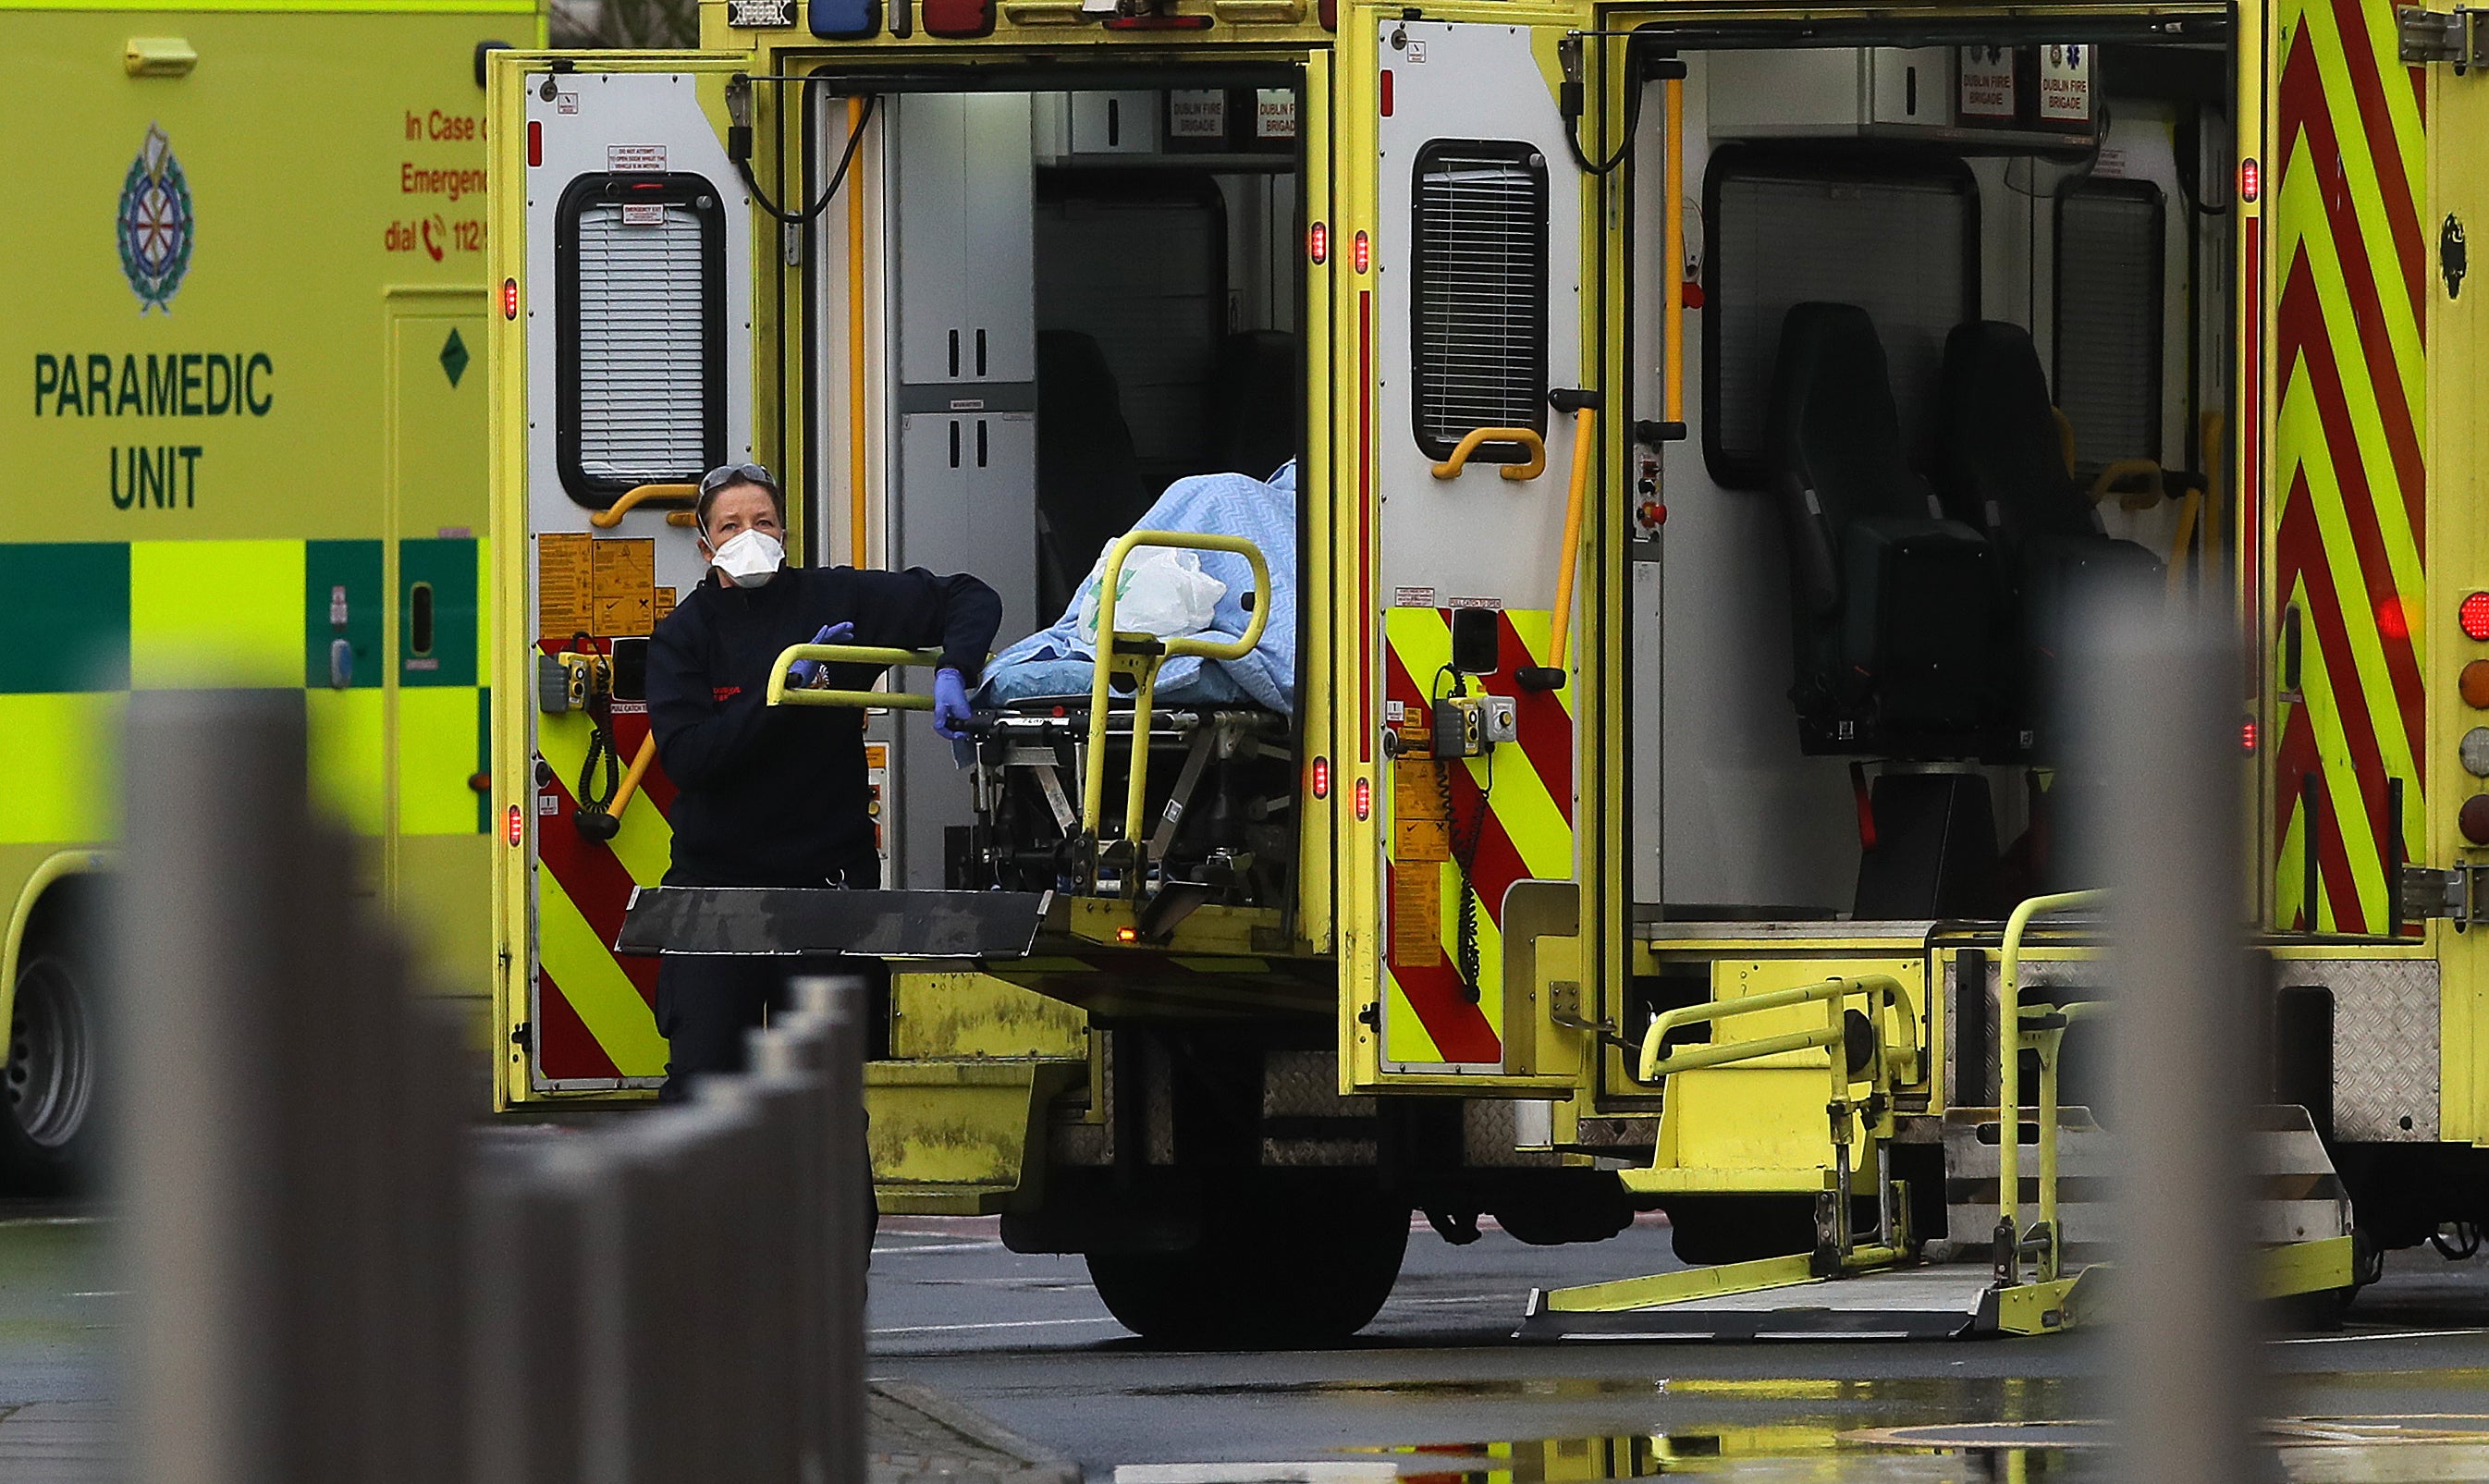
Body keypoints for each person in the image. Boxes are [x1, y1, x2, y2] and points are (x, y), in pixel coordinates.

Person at [645, 461, 1001, 1098]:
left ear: (784, 533)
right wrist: (788, 690)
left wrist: (954, 668)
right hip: (715, 894)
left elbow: (969, 595)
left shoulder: (834, 600)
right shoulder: (682, 638)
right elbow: (691, 758)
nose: (748, 535)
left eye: (762, 522)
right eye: (730, 525)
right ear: (704, 544)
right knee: (700, 1097)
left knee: (824, 1108)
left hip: (824, 887)